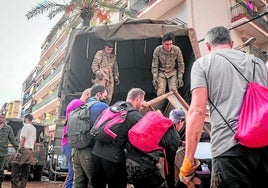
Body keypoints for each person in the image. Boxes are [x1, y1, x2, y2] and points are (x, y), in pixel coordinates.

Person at [179, 26, 268, 188]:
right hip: (263, 147)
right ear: (232, 43)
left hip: (229, 150)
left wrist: (188, 161)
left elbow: (197, 111)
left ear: (207, 46)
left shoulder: (203, 64)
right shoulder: (259, 63)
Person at [91, 88, 146, 188]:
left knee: (98, 185)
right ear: (138, 99)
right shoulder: (135, 115)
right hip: (113, 158)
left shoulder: (115, 107)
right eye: (142, 101)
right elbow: (144, 136)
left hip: (96, 153)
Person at [125, 110, 182, 188]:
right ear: (180, 122)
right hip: (143, 168)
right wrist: (171, 185)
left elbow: (161, 142)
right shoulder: (174, 137)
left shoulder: (159, 124)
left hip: (127, 162)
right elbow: (169, 168)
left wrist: (180, 143)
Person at [72, 84, 108, 188]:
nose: (105, 99)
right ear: (98, 94)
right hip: (89, 151)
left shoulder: (80, 107)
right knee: (96, 183)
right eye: (104, 96)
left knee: (78, 184)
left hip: (75, 151)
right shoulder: (101, 106)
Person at [61, 87, 91, 188]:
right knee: (74, 175)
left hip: (67, 142)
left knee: (73, 173)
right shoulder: (79, 104)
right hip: (70, 143)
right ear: (87, 95)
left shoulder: (73, 102)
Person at [11, 113, 36, 188]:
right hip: (30, 151)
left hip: (24, 150)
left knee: (15, 167)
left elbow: (23, 139)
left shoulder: (26, 127)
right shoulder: (33, 128)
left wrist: (19, 149)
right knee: (25, 170)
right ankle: (22, 186)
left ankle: (15, 186)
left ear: (26, 119)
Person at [0, 113, 18, 188]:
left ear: (5, 119)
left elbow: (12, 140)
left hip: (2, 153)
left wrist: (18, 149)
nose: (0, 118)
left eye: (2, 117)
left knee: (0, 170)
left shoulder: (8, 128)